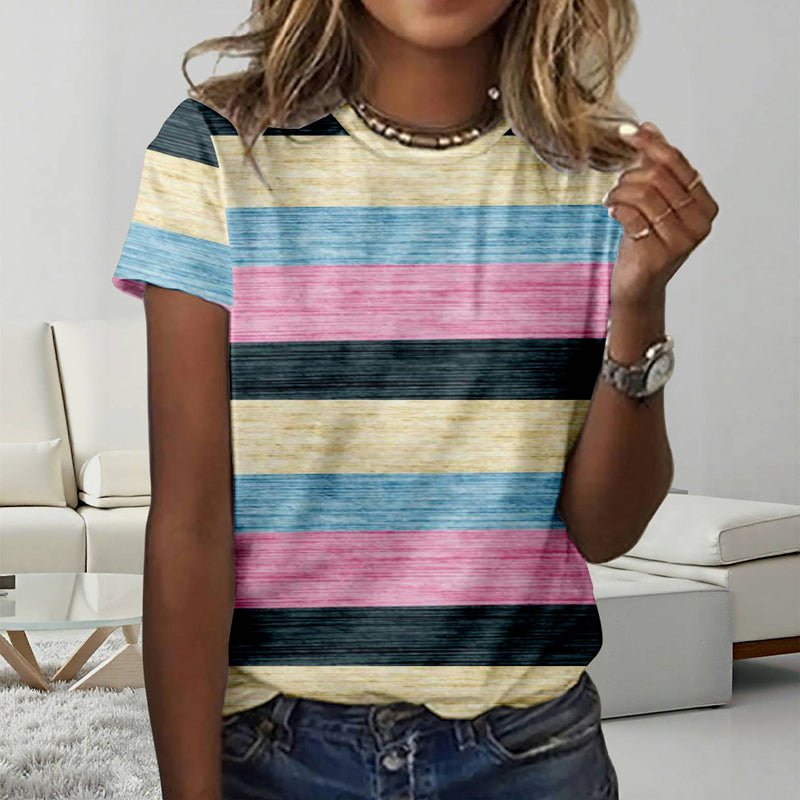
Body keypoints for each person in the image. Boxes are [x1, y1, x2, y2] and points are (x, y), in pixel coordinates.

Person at [111, 1, 718, 798]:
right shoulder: (217, 149)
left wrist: (640, 304)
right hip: (274, 754)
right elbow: (190, 523)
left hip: (530, 753)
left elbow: (605, 530)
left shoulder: (604, 178)